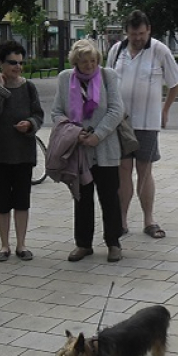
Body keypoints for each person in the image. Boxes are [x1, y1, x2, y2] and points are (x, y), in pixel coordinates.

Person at [106, 10, 178, 240]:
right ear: (126, 33)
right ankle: (121, 220)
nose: (138, 38)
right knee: (123, 171)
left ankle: (148, 219)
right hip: (120, 123)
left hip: (147, 121)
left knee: (144, 170)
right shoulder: (116, 50)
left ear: (148, 30)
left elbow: (176, 82)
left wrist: (165, 109)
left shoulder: (159, 50)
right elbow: (106, 82)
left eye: (141, 33)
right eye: (133, 34)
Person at [52, 40, 125, 263]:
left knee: (110, 197)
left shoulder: (107, 76)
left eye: (93, 61)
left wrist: (98, 135)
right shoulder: (65, 78)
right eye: (84, 62)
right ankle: (83, 244)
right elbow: (56, 112)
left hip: (105, 149)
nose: (90, 66)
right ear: (76, 62)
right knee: (82, 198)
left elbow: (116, 109)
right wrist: (75, 133)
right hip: (79, 150)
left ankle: (114, 243)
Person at [0, 40, 44, 262]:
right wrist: (0, 88)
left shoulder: (29, 87)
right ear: (0, 63)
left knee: (22, 199)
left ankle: (21, 244)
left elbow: (38, 115)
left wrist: (29, 124)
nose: (17, 67)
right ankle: (4, 245)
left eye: (20, 62)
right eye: (12, 62)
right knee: (2, 200)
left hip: (23, 152)